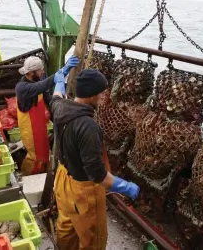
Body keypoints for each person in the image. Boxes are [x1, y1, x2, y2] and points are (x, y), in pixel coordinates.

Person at [49, 68, 140, 250]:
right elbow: (97, 175)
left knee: (66, 227)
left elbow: (56, 95)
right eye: (100, 93)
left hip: (62, 180)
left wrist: (60, 80)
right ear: (91, 96)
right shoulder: (88, 127)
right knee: (93, 239)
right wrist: (126, 187)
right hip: (83, 192)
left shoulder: (60, 107)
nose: (102, 97)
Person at [15, 55, 79, 176]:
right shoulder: (22, 87)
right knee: (35, 157)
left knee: (44, 154)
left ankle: (43, 173)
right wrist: (57, 77)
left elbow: (48, 98)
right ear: (30, 72)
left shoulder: (37, 81)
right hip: (30, 130)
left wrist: (64, 71)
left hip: (40, 128)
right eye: (40, 70)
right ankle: (26, 176)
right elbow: (40, 87)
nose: (43, 71)